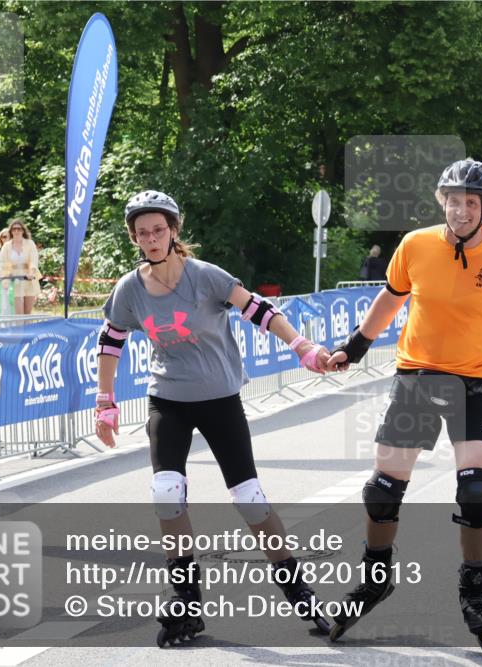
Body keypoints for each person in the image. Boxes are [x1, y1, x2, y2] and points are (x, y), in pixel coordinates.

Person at [324, 159, 482, 656]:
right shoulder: (415, 245)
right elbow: (389, 300)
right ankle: (375, 580)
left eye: (471, 202)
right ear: (442, 201)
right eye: (453, 200)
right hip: (415, 379)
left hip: (473, 386)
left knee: (477, 494)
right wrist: (353, 347)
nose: (460, 210)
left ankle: (474, 592)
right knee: (381, 492)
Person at [94, 191, 334, 647]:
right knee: (166, 493)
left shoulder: (204, 277)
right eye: (142, 233)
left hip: (220, 399)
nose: (151, 239)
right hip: (168, 400)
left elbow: (259, 310)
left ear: (174, 231)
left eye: (159, 230)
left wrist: (302, 347)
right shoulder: (130, 288)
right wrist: (105, 402)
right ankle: (186, 604)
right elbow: (111, 340)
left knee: (249, 499)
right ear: (135, 238)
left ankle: (299, 594)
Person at [0, 218, 41, 314]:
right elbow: (0, 261)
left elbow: (34, 259)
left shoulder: (30, 243)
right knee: (19, 313)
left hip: (28, 279)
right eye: (14, 229)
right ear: (11, 231)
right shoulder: (7, 246)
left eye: (19, 229)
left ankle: (28, 328)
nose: (16, 231)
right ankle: (20, 328)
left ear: (23, 230)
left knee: (28, 313)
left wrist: (31, 272)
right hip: (14, 281)